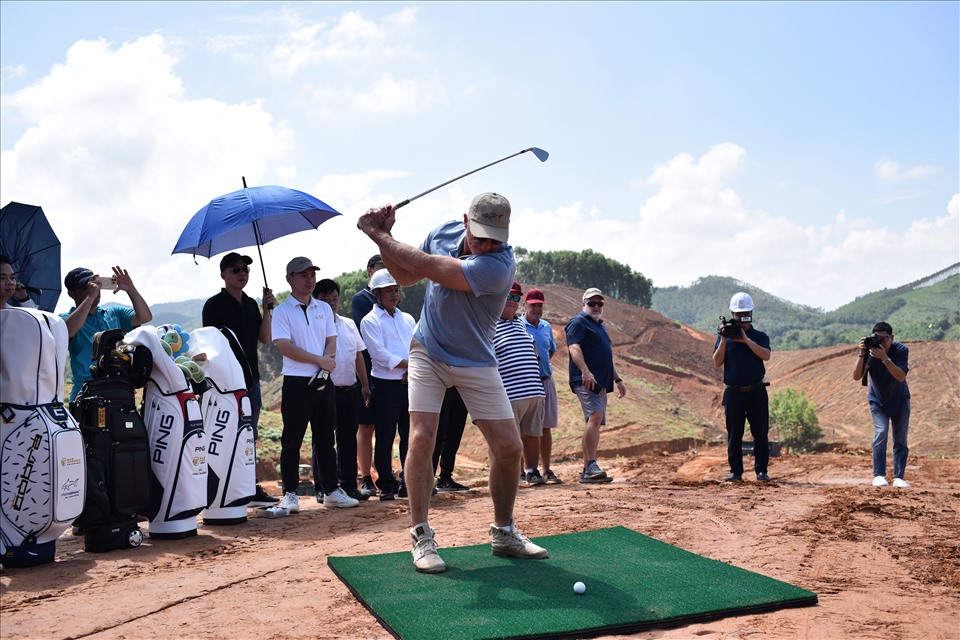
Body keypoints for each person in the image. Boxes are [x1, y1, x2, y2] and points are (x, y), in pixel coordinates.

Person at [358, 192, 548, 574]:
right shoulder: (442, 232)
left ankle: (504, 532)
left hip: (476, 358)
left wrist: (377, 234)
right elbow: (407, 275)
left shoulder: (499, 264)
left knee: (509, 447)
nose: (487, 245)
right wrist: (385, 238)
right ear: (465, 221)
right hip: (428, 349)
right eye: (481, 236)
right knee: (421, 437)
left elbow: (429, 266)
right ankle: (421, 534)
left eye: (495, 238)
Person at [271, 256, 358, 513]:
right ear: (290, 279)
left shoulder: (323, 308)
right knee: (292, 440)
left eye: (312, 275)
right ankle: (290, 493)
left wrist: (325, 364)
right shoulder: (282, 311)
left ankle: (331, 490)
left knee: (325, 438)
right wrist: (320, 360)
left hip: (323, 380)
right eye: (303, 275)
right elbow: (285, 347)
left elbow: (331, 339)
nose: (309, 280)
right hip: (296, 382)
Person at [202, 252, 278, 506]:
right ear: (223, 274)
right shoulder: (213, 306)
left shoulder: (251, 304)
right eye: (236, 269)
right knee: (224, 434)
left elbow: (264, 338)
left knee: (248, 435)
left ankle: (249, 487)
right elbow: (210, 345)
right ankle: (224, 488)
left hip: (251, 381)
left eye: (245, 269)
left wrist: (267, 310)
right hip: (224, 384)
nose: (242, 273)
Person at [312, 278, 372, 502]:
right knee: (323, 440)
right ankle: (323, 487)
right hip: (324, 390)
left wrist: (364, 384)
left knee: (348, 440)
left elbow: (358, 355)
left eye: (334, 298)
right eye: (325, 299)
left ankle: (349, 485)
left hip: (349, 390)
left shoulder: (348, 324)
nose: (332, 303)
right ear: (316, 301)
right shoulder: (314, 326)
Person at [360, 269, 416, 501]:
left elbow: (417, 346)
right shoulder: (369, 321)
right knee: (385, 435)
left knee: (409, 434)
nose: (394, 295)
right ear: (376, 294)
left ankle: (408, 480)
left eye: (396, 290)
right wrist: (409, 365)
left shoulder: (407, 319)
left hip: (409, 382)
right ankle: (385, 483)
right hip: (385, 385)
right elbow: (379, 354)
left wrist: (412, 368)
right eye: (388, 291)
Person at [61, 266, 152, 402]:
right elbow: (68, 331)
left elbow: (145, 317)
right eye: (86, 287)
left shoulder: (114, 313)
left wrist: (130, 289)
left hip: (118, 390)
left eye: (96, 284)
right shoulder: (65, 319)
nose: (95, 289)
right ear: (71, 293)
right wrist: (90, 297)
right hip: (86, 394)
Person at [566, 287, 627, 483]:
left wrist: (618, 379)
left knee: (595, 421)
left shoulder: (600, 326)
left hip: (601, 381)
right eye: (591, 303)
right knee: (595, 416)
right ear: (583, 304)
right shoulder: (578, 322)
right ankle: (591, 464)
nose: (596, 307)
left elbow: (605, 357)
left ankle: (587, 470)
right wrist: (585, 371)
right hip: (586, 379)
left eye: (599, 303)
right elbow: (574, 347)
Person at [711, 292, 772, 483]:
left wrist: (745, 339)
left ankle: (761, 471)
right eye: (738, 314)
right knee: (734, 434)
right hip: (733, 393)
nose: (742, 318)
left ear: (751, 313)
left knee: (760, 433)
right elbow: (717, 362)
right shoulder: (725, 337)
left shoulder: (759, 336)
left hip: (756, 391)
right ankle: (735, 472)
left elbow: (766, 355)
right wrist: (723, 338)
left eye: (745, 314)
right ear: (732, 314)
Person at [495, 281, 547, 486]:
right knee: (512, 438)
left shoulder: (519, 323)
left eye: (516, 297)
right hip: (510, 393)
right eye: (508, 296)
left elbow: (535, 351)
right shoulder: (489, 324)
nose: (512, 301)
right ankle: (513, 476)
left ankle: (531, 472)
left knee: (532, 434)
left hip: (534, 390)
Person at [852, 322, 911, 488]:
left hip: (900, 400)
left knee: (900, 439)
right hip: (878, 401)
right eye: (878, 338)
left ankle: (899, 477)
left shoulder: (900, 350)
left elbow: (900, 376)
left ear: (892, 338)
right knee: (881, 433)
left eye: (885, 338)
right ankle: (878, 475)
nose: (882, 342)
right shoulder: (869, 351)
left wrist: (885, 358)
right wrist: (862, 354)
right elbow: (856, 376)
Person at [352, 254, 385, 498]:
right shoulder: (362, 300)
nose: (385, 272)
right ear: (369, 271)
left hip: (389, 374)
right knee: (366, 425)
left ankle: (385, 475)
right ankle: (365, 478)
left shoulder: (393, 303)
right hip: (367, 371)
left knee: (386, 427)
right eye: (380, 268)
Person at [522, 288, 562, 484]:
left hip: (546, 380)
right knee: (524, 428)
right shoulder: (518, 326)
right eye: (533, 305)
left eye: (540, 305)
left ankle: (546, 470)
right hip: (527, 383)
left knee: (546, 427)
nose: (537, 308)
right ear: (525, 305)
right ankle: (524, 471)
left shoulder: (546, 327)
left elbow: (550, 351)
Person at [432, 388, 471, 492]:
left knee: (454, 435)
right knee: (437, 435)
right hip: (440, 388)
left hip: (461, 388)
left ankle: (445, 478)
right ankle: (428, 480)